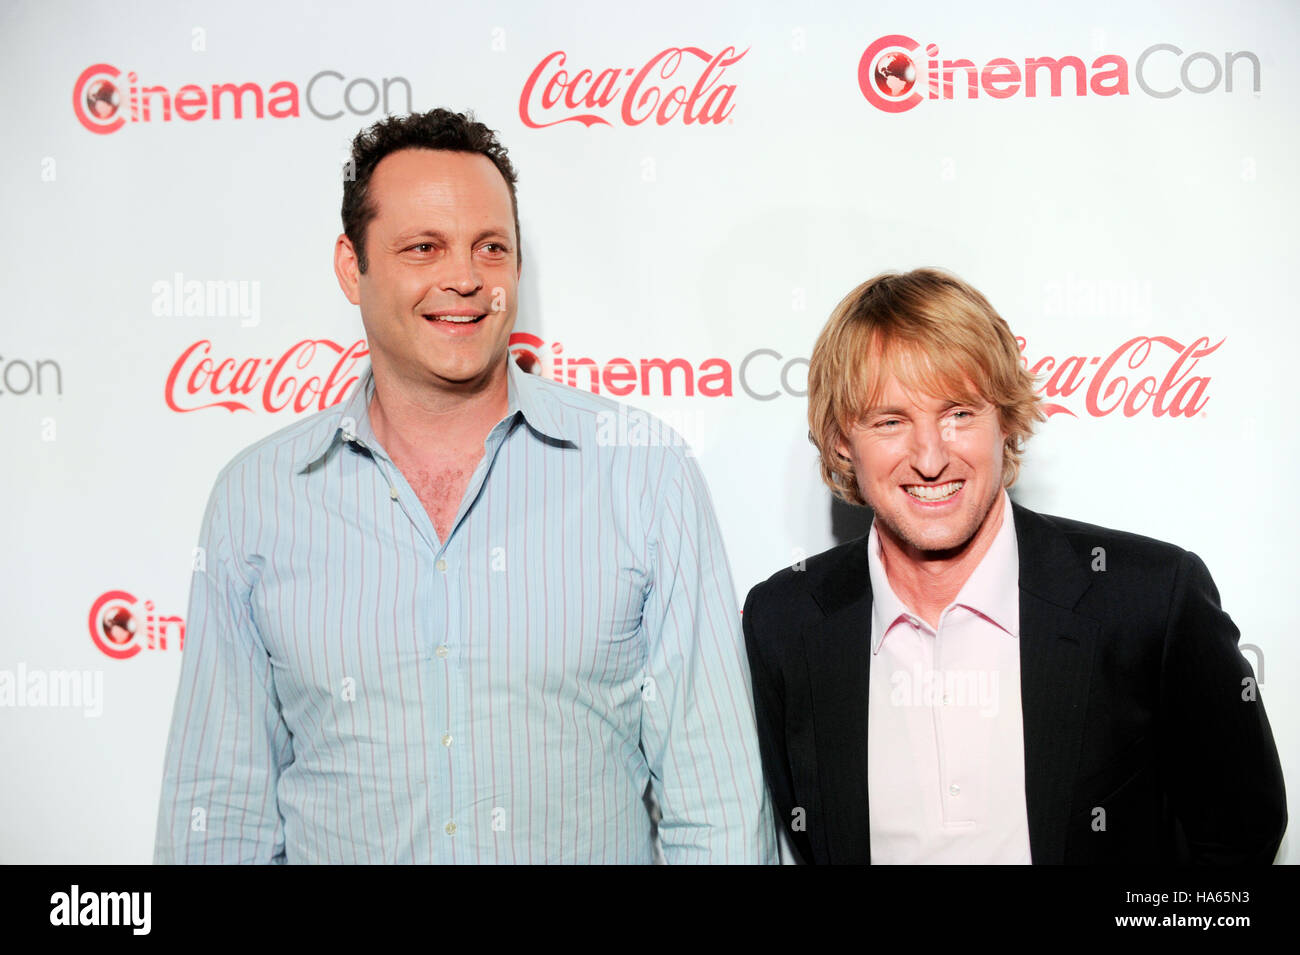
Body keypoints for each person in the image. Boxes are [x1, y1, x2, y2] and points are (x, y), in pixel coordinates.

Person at [154, 108, 774, 864]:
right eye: (424, 247)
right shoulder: (256, 500)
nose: (465, 278)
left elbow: (718, 810)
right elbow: (221, 816)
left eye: (491, 248)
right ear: (353, 267)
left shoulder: (642, 473)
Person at [742, 267, 1286, 864]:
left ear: (1006, 419)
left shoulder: (1148, 599)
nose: (930, 458)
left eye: (959, 414)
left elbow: (1240, 830)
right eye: (891, 421)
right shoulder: (785, 622)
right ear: (843, 441)